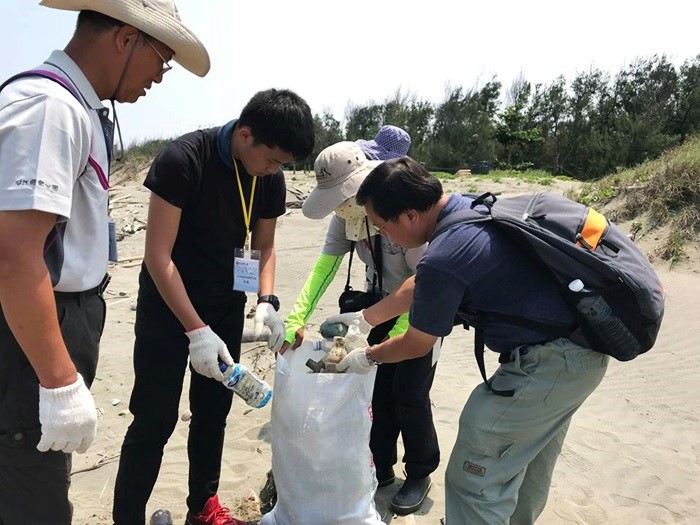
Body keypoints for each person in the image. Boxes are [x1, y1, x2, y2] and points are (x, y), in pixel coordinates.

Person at [0, 1, 209, 523]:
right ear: (124, 38)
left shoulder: (78, 108)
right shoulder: (50, 108)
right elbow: (14, 255)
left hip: (53, 320)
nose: (160, 77)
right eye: (161, 60)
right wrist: (58, 380)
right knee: (34, 491)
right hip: (34, 333)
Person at [326, 157, 610, 524]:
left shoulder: (443, 255)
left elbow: (417, 342)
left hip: (547, 366)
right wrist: (365, 318)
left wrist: (367, 356)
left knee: (473, 474)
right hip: (580, 357)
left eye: (382, 226)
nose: (383, 236)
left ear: (410, 215)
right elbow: (421, 285)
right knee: (524, 463)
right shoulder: (470, 207)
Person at [111, 88, 314, 525]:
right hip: (168, 308)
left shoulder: (268, 177)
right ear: (245, 135)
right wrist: (195, 331)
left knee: (213, 414)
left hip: (225, 305)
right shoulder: (184, 159)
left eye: (282, 165)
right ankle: (127, 517)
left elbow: (264, 245)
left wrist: (266, 300)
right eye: (273, 160)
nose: (274, 171)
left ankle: (202, 508)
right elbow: (157, 256)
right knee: (154, 418)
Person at [280, 137, 439, 515]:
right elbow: (325, 266)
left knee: (410, 391)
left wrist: (399, 334)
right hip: (374, 306)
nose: (340, 208)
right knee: (375, 389)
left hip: (422, 306)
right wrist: (297, 318)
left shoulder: (401, 208)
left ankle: (419, 471)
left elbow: (426, 282)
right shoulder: (344, 217)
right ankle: (379, 466)